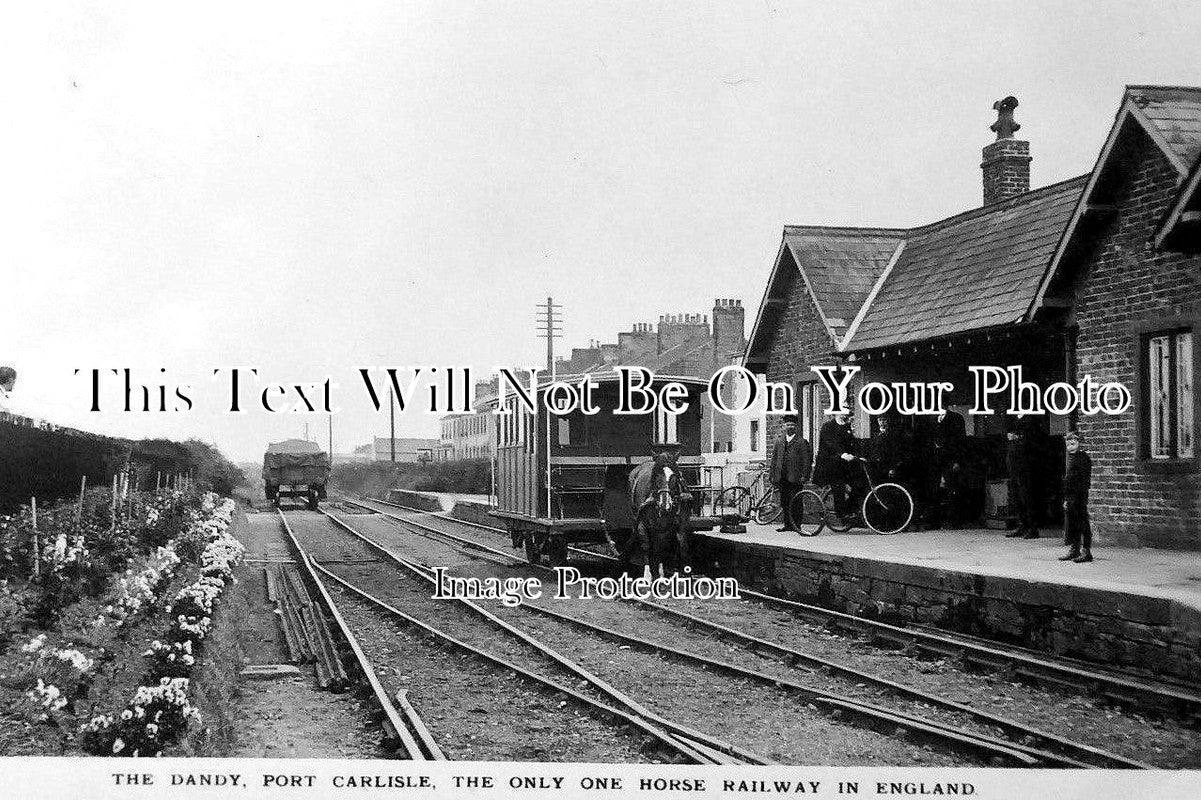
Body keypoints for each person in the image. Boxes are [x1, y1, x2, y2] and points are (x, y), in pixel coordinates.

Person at [813, 408, 862, 522]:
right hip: (829, 464)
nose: (843, 414)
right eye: (841, 412)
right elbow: (830, 444)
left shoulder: (847, 427)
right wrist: (842, 454)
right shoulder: (828, 427)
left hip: (844, 465)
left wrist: (859, 455)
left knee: (859, 483)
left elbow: (853, 444)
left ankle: (850, 509)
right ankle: (841, 514)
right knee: (838, 486)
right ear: (835, 413)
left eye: (845, 412)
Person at [769, 415, 812, 532]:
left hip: (795, 477)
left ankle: (796, 525)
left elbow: (807, 460)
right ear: (784, 426)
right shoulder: (779, 442)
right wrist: (772, 475)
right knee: (785, 501)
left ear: (796, 427)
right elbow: (774, 460)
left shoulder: (801, 442)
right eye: (788, 425)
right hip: (782, 477)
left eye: (792, 425)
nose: (790, 427)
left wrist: (805, 475)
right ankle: (787, 525)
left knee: (796, 501)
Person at [927, 408, 968, 529]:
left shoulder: (956, 418)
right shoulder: (932, 418)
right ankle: (935, 522)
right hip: (935, 460)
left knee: (953, 490)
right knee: (934, 490)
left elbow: (961, 440)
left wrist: (957, 460)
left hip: (950, 458)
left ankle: (955, 522)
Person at [1059, 430, 1093, 563]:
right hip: (1072, 497)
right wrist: (1067, 498)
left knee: (1083, 522)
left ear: (1079, 444)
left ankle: (1086, 550)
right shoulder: (1073, 459)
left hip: (1079, 496)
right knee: (1073, 523)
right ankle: (1075, 548)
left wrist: (1075, 496)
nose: (1070, 447)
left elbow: (1082, 480)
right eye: (1068, 445)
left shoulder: (1083, 459)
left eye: (1073, 444)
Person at [1004, 414, 1040, 539]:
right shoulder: (1013, 418)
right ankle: (1022, 525)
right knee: (1016, 496)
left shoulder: (1031, 419)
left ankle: (1032, 527)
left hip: (1026, 465)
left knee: (1027, 496)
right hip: (1014, 464)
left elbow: (1033, 440)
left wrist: (1017, 437)